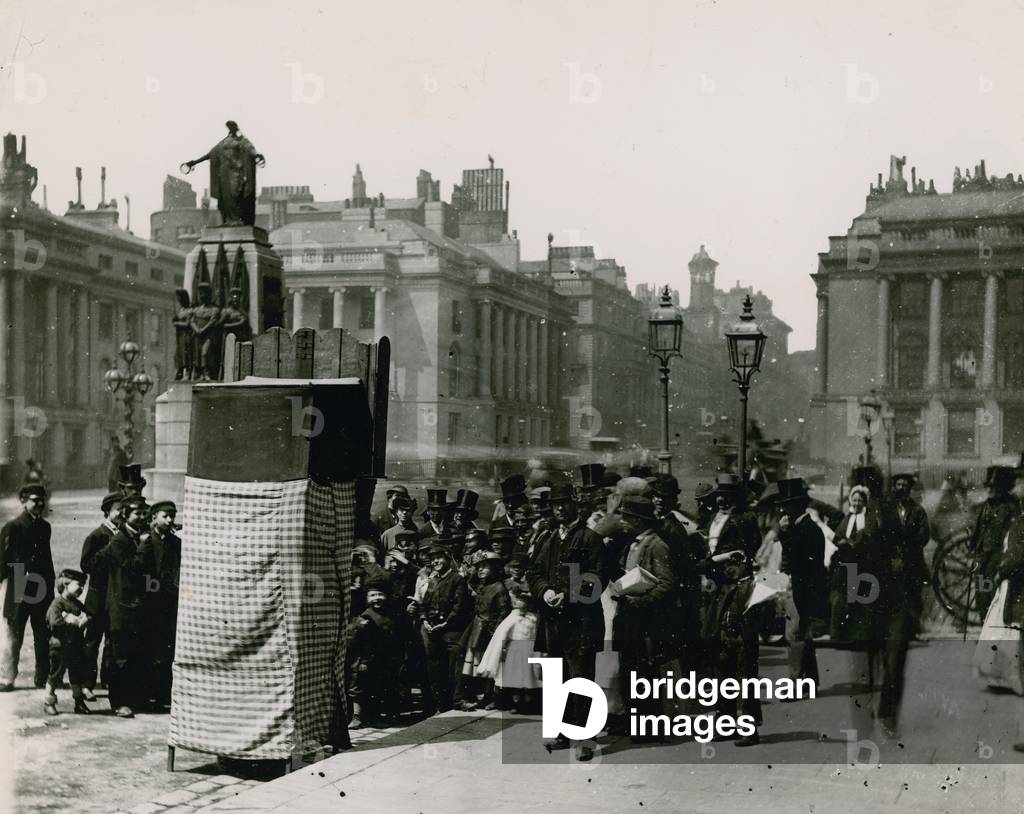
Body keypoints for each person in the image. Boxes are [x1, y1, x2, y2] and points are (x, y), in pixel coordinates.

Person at [526, 482, 611, 761]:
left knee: (582, 678)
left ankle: (586, 738)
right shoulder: (547, 539)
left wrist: (568, 595)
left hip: (581, 622)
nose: (560, 508)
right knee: (557, 677)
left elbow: (598, 578)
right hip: (553, 622)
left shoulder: (590, 539)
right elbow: (534, 572)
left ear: (576, 505)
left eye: (564, 503)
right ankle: (564, 730)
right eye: (555, 504)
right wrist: (545, 591)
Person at [611, 496, 678, 741]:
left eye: (626, 518)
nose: (622, 522)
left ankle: (649, 727)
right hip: (630, 618)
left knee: (645, 672)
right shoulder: (633, 544)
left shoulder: (656, 545)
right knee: (631, 670)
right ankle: (636, 722)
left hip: (645, 620)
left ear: (638, 520)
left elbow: (666, 583)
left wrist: (640, 601)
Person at [88, 495, 152, 718]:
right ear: (126, 515)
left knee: (134, 653)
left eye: (145, 513)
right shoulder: (121, 540)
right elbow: (133, 567)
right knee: (119, 656)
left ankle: (133, 698)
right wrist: (145, 546)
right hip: (121, 606)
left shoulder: (135, 537)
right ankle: (119, 702)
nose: (143, 517)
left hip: (135, 605)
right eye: (138, 513)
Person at [0, 483, 55, 691]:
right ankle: (6, 677)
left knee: (42, 633)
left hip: (40, 585)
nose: (39, 503)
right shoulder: (13, 527)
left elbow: (47, 558)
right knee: (14, 632)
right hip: (18, 581)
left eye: (42, 499)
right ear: (23, 501)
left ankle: (42, 678)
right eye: (34, 500)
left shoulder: (45, 527)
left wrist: (50, 584)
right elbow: (2, 560)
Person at [775, 478, 827, 689]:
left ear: (797, 505)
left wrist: (784, 533)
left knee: (793, 635)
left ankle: (795, 684)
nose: (783, 509)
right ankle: (811, 680)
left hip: (801, 587)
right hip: (803, 586)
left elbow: (795, 558)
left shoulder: (805, 529)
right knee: (803, 634)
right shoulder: (805, 527)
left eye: (787, 505)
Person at [412, 539, 471, 714]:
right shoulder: (431, 580)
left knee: (454, 663)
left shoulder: (457, 580)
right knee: (434, 667)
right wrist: (424, 620)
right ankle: (439, 705)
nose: (436, 562)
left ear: (447, 558)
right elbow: (423, 604)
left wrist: (445, 624)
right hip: (432, 629)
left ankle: (457, 700)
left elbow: (459, 607)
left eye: (439, 558)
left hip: (451, 629)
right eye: (433, 559)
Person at [79, 492, 123, 697]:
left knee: (113, 641)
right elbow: (86, 565)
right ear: (107, 512)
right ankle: (87, 683)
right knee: (92, 641)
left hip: (116, 597)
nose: (122, 513)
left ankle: (108, 679)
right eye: (118, 509)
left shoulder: (125, 535)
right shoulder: (96, 536)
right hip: (98, 597)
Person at [348, 575, 404, 727]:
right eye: (373, 595)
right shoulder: (364, 617)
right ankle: (357, 716)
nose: (377, 598)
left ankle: (383, 715)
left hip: (386, 659)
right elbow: (360, 643)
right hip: (366, 659)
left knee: (383, 686)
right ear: (367, 598)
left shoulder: (392, 615)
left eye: (380, 595)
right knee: (360, 688)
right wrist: (363, 661)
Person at [459, 553, 511, 711]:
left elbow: (503, 612)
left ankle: (494, 698)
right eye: (478, 567)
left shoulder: (499, 588)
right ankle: (485, 696)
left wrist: (495, 632)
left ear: (494, 569)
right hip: (477, 628)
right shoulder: (483, 585)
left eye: (485, 567)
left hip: (489, 630)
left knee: (490, 665)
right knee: (479, 665)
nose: (480, 570)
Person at [477, 585, 541, 713]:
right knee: (514, 679)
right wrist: (502, 649)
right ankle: (512, 702)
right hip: (514, 650)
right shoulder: (512, 617)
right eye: (519, 602)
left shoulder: (534, 618)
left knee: (528, 679)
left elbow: (536, 634)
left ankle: (526, 702)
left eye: (525, 602)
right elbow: (502, 633)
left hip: (529, 650)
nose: (521, 604)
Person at [969, 466, 1020, 619]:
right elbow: (979, 528)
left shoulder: (1011, 507)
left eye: (993, 487)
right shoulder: (988, 504)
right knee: (982, 595)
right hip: (982, 558)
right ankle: (985, 626)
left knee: (994, 596)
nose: (989, 490)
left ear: (1003, 488)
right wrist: (974, 546)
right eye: (988, 486)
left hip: (998, 559)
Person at [146, 500, 181, 710]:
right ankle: (149, 692)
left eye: (172, 516)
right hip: (151, 602)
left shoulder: (176, 543)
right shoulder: (147, 542)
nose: (169, 520)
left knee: (167, 649)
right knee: (150, 648)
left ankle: (163, 694)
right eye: (165, 516)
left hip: (170, 602)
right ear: (154, 518)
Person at [43, 569, 91, 716]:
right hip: (60, 646)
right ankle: (48, 701)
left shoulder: (77, 604)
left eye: (83, 585)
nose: (82, 588)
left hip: (75, 646)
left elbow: (87, 614)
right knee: (56, 674)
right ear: (65, 584)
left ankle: (79, 702)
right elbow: (55, 622)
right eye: (79, 584)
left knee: (77, 675)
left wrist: (86, 619)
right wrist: (74, 622)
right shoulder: (57, 604)